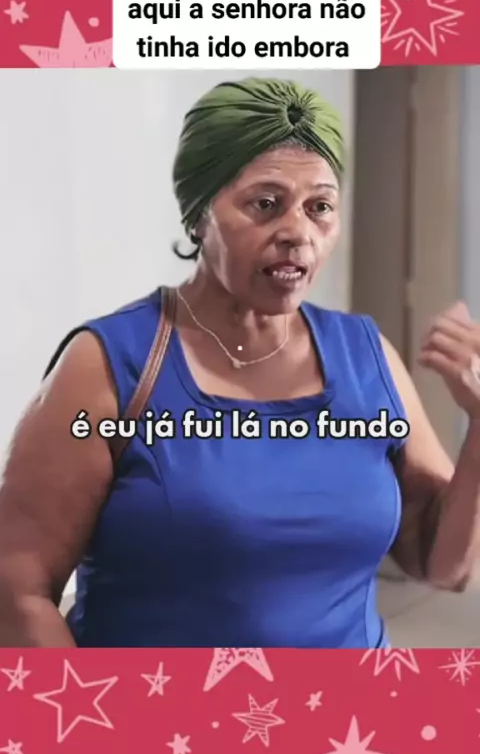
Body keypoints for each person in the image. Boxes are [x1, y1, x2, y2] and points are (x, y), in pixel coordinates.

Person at [1, 77, 480, 649]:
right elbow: (17, 591)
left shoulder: (366, 355)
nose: (298, 233)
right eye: (265, 204)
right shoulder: (110, 365)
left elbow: (444, 565)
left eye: (320, 207)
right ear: (199, 213)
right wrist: (96, 708)